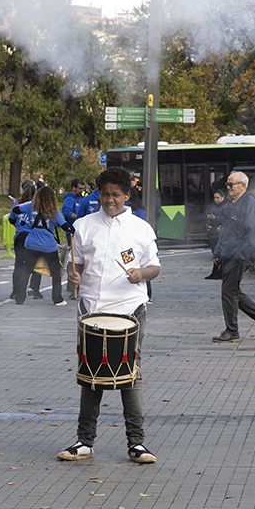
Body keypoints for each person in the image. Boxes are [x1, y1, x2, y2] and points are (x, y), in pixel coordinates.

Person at [58, 167, 161, 464]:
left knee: (130, 376)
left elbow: (154, 266)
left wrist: (141, 273)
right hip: (92, 309)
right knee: (91, 375)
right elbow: (73, 263)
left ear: (127, 195)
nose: (109, 200)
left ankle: (137, 444)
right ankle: (84, 442)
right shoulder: (84, 226)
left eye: (115, 194)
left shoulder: (140, 228)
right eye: (104, 194)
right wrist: (72, 276)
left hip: (130, 309)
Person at [213, 171, 255, 343]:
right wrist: (218, 251)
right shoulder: (234, 203)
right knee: (234, 292)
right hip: (230, 253)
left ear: (243, 186)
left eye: (231, 184)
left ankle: (232, 331)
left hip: (237, 254)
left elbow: (253, 231)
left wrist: (244, 255)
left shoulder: (249, 203)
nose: (228, 188)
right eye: (227, 184)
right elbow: (226, 231)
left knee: (228, 292)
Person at [13, 185, 72, 306]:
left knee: (27, 269)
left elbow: (16, 210)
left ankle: (20, 297)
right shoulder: (53, 211)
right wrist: (73, 230)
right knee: (56, 272)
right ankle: (57, 298)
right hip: (48, 245)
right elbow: (65, 225)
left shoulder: (30, 206)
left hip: (31, 242)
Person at [9, 181, 43, 302]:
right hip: (33, 236)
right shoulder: (37, 205)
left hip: (20, 236)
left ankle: (16, 290)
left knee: (19, 264)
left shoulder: (17, 204)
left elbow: (11, 219)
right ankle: (34, 289)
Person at [204, 189, 226, 280]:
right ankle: (216, 271)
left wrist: (215, 218)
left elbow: (225, 219)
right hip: (212, 231)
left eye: (218, 198)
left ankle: (219, 271)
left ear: (222, 197)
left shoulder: (225, 207)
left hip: (220, 232)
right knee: (215, 252)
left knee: (219, 252)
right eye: (215, 198)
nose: (216, 199)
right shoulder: (212, 207)